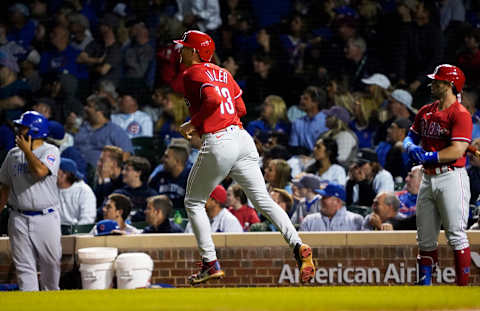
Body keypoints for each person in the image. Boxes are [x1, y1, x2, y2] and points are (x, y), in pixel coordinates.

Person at [174, 30, 314, 285]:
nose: (179, 51)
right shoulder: (224, 73)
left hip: (219, 140)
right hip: (241, 137)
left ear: (194, 52)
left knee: (193, 202)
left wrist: (192, 123)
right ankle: (298, 245)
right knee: (263, 202)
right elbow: (241, 108)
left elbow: (214, 100)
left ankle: (210, 263)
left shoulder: (193, 72)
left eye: (184, 47)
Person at [402, 64, 472, 286]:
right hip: (428, 177)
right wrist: (410, 147)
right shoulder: (426, 111)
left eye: (438, 81)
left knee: (456, 235)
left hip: (452, 176)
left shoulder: (461, 114)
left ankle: (463, 291)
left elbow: (458, 150)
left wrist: (430, 157)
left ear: (450, 85)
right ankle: (425, 288)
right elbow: (409, 137)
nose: (433, 84)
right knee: (425, 239)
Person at [0, 111, 61, 291]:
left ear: (33, 130)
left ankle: (52, 303)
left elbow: (40, 172)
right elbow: (4, 187)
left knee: (50, 264)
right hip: (18, 216)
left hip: (46, 216)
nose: (18, 129)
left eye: (22, 127)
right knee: (24, 267)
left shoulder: (50, 151)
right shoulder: (12, 155)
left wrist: (27, 151)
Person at [113, 156, 157, 222]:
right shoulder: (119, 193)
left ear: (138, 173)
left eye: (127, 169)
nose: (123, 172)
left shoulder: (151, 195)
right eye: (123, 169)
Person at [57, 157, 96, 232]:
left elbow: (87, 220)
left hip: (77, 233)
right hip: (56, 231)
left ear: (63, 175)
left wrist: (73, 233)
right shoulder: (52, 189)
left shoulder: (84, 191)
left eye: (56, 171)